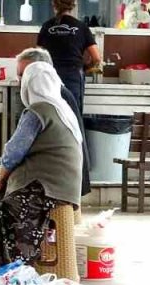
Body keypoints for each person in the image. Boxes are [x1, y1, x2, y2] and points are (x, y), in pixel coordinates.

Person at [0, 62, 84, 280]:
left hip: (46, 186)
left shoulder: (38, 111)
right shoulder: (62, 108)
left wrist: (1, 178)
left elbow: (13, 151)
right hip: (63, 185)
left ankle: (12, 268)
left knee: (2, 202)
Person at [16, 47, 90, 198]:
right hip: (63, 180)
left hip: (53, 184)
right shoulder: (58, 95)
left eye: (25, 75)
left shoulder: (47, 102)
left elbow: (16, 150)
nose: (21, 81)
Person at [36, 0, 100, 110]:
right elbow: (96, 58)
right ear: (73, 6)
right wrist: (85, 67)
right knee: (72, 116)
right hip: (73, 76)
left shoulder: (46, 26)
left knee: (52, 113)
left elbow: (38, 56)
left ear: (54, 5)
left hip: (50, 77)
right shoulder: (81, 27)